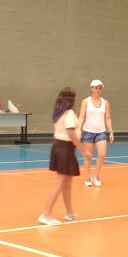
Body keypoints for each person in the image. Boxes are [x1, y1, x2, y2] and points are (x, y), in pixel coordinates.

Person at [38, 87, 85, 226]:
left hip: (60, 147)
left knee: (67, 182)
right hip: (65, 148)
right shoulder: (69, 114)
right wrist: (83, 149)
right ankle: (46, 214)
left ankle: (69, 212)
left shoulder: (59, 113)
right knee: (59, 182)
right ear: (71, 100)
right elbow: (71, 133)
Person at [78, 79, 114, 188]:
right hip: (88, 132)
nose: (98, 90)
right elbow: (81, 116)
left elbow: (107, 118)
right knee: (88, 156)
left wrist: (111, 131)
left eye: (100, 88)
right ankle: (87, 177)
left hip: (101, 132)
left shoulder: (105, 102)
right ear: (91, 88)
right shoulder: (85, 101)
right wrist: (78, 129)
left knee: (102, 154)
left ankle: (96, 175)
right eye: (96, 88)